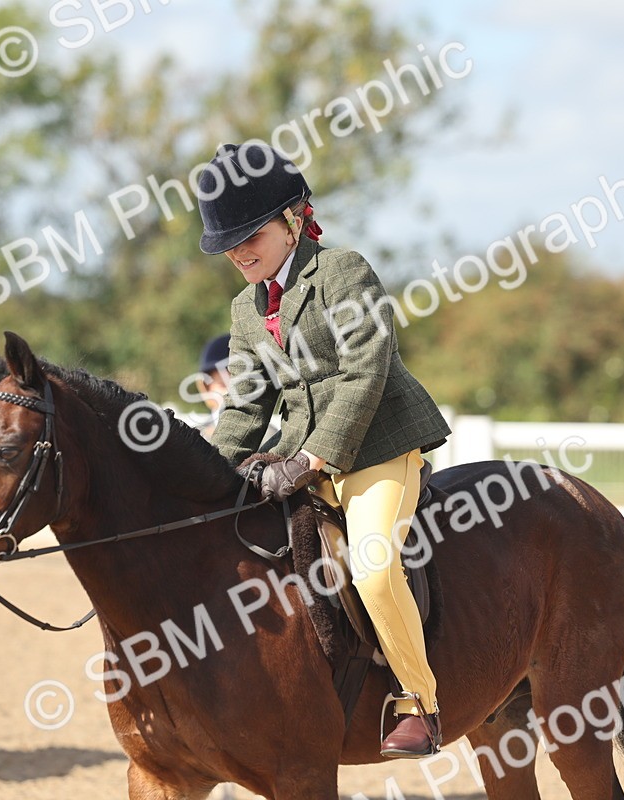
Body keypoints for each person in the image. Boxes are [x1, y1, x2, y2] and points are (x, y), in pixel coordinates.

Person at [196, 142, 452, 758]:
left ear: (290, 219)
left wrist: (313, 458)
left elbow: (367, 371)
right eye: (227, 244)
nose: (238, 252)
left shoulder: (342, 270)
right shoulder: (245, 308)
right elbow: (246, 406)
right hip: (294, 456)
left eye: (249, 235)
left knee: (371, 562)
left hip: (376, 447)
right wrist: (200, 473)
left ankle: (420, 701)